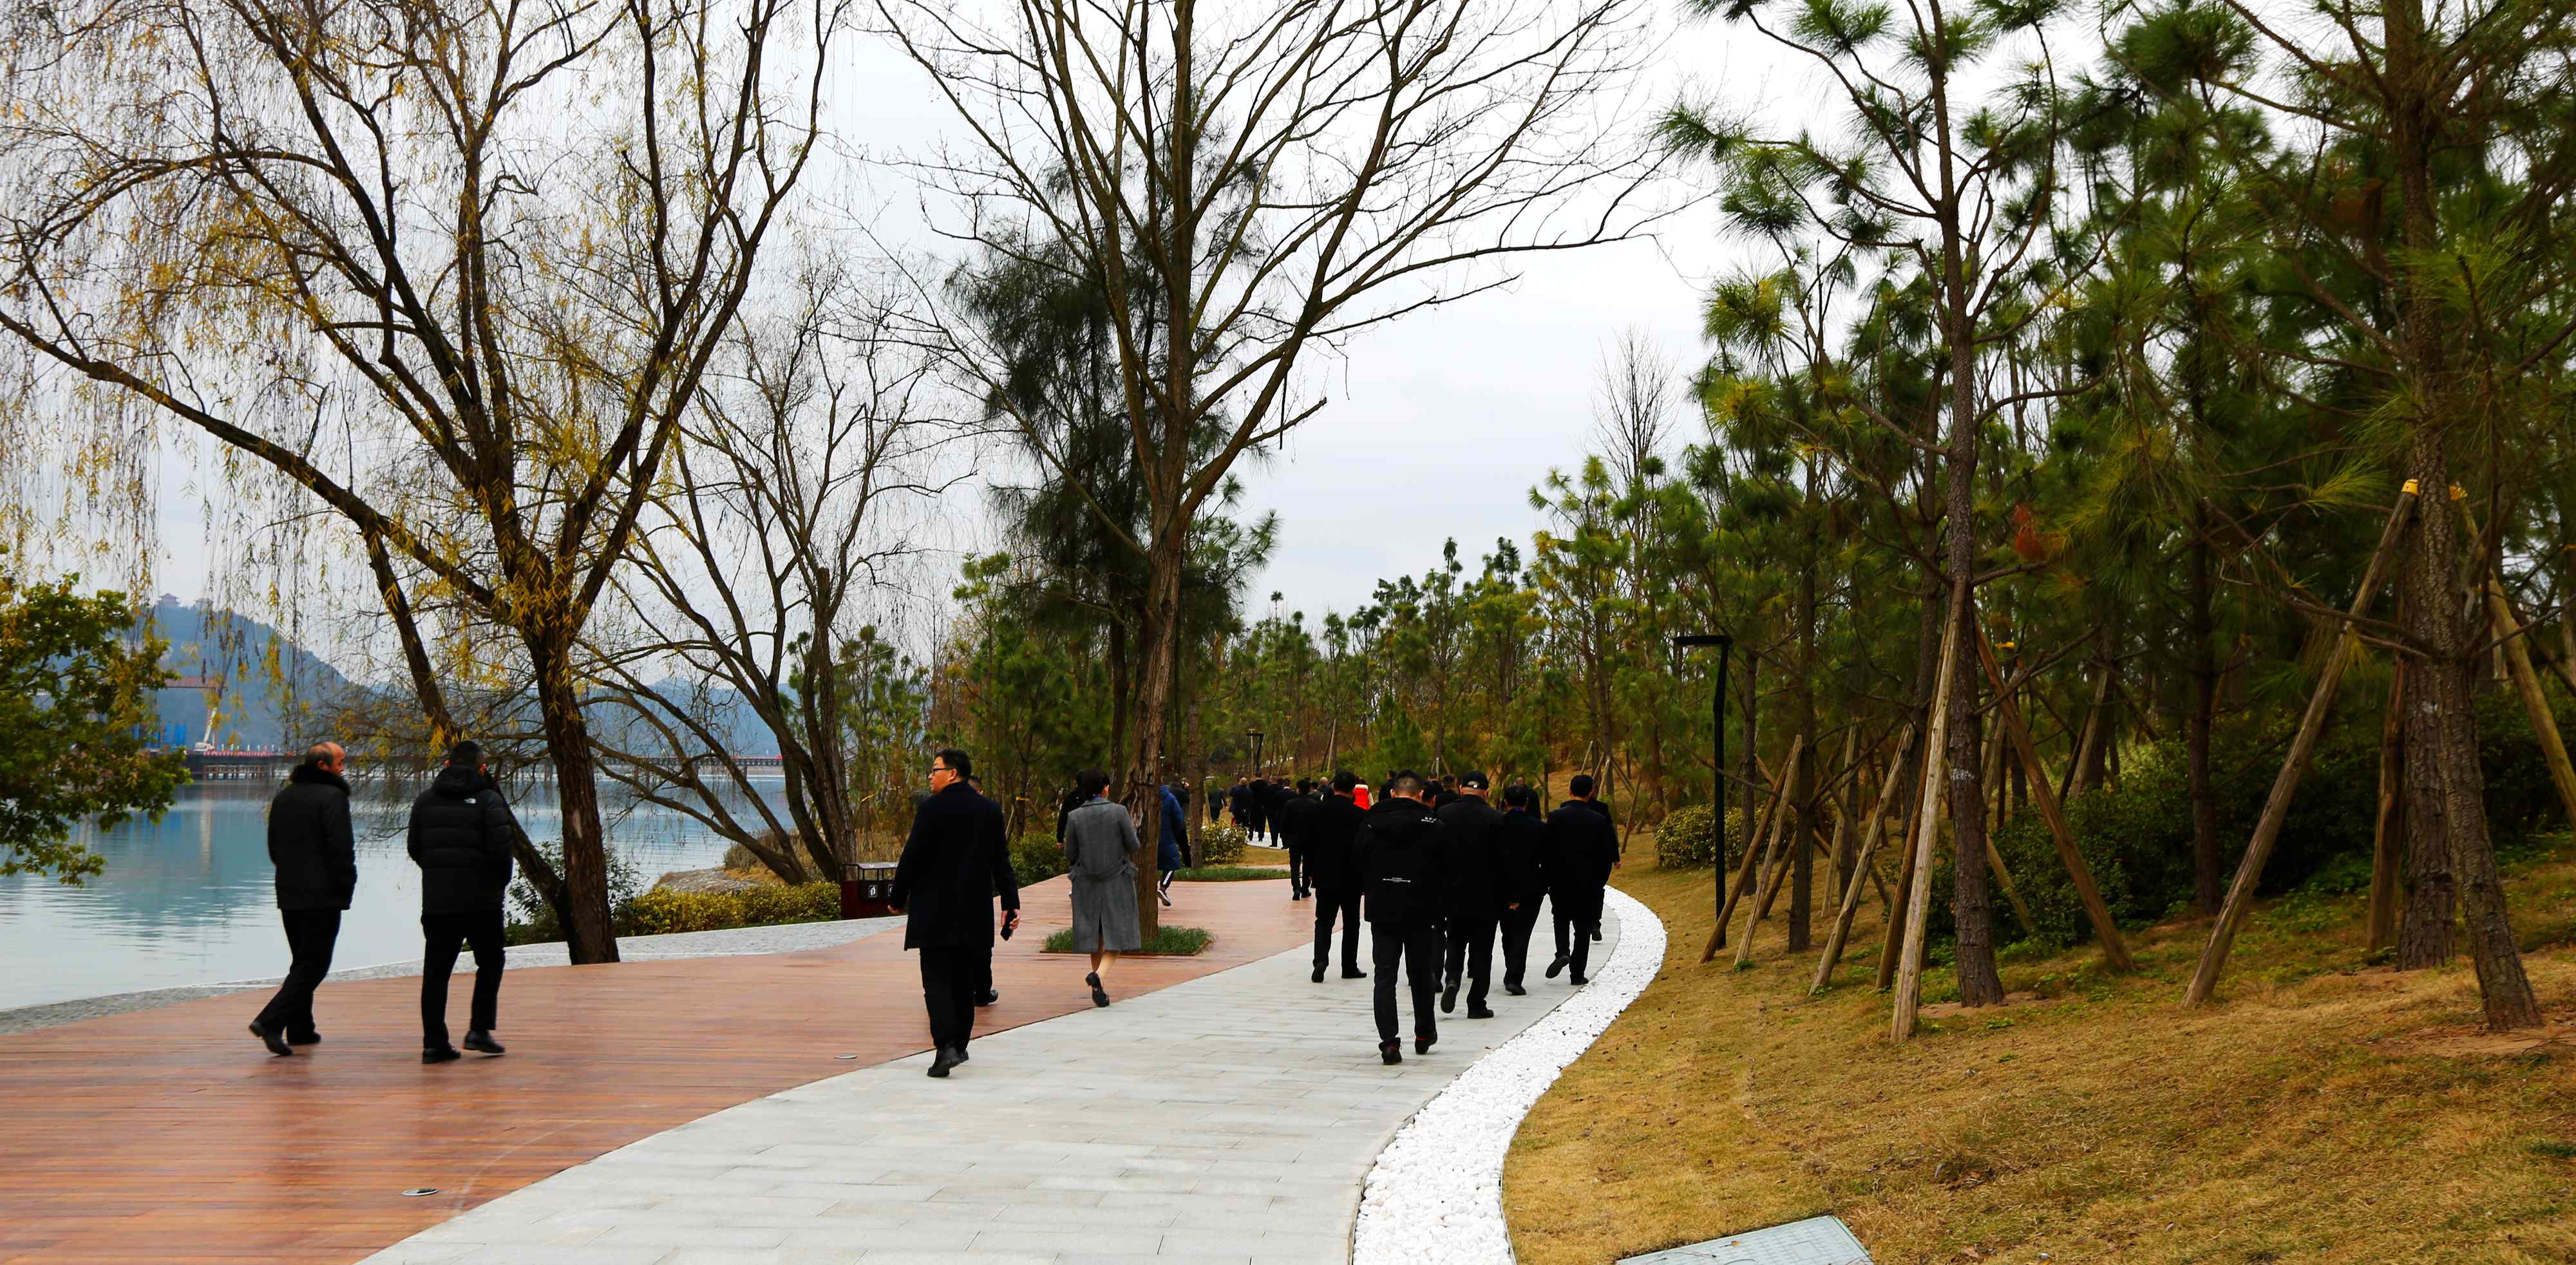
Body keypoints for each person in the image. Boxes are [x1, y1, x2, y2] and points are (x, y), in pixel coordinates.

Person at [891, 748, 1021, 1078]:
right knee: (965, 981)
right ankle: (960, 1045)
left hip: (934, 912)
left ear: (952, 773)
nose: (930, 776)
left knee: (936, 981)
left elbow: (912, 856)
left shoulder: (930, 810)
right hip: (973, 912)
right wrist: (1010, 902)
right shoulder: (990, 810)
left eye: (934, 770)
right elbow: (1000, 862)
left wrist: (897, 896)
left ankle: (945, 1046)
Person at [408, 740, 516, 1063]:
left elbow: (415, 847)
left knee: (436, 972)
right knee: (491, 962)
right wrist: (496, 885)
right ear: (482, 768)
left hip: (439, 902)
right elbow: (502, 852)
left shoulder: (425, 801)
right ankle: (479, 1030)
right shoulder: (488, 800)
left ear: (447, 764)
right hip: (482, 902)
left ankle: (434, 1043)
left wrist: (438, 871)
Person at [248, 742, 355, 1057]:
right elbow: (341, 850)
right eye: (339, 762)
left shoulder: (283, 797)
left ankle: (301, 1028)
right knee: (316, 963)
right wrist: (345, 888)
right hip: (322, 896)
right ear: (322, 766)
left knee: (301, 961)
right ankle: (270, 1021)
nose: (343, 768)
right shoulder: (333, 798)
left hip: (289, 892)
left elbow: (273, 849)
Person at [1357, 773, 1448, 1063]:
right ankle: (1424, 1032)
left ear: (1393, 794)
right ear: (1421, 794)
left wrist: (1372, 887)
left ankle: (1389, 1041)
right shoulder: (1434, 826)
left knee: (1385, 975)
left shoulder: (1371, 822)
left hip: (1383, 907)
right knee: (1421, 973)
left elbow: (1357, 861)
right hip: (1421, 909)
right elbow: (1447, 868)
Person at [1061, 769, 1141, 1008]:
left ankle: (1099, 987)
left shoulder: (1074, 817)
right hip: (1116, 880)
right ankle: (1100, 977)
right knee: (1118, 933)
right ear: (1105, 788)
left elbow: (1070, 854)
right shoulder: (1119, 812)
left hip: (1086, 883)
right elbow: (1134, 845)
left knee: (1096, 937)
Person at [1434, 771, 1506, 1018]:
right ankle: (1476, 1003)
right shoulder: (1497, 819)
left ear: (1462, 789)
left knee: (1454, 940)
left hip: (1452, 893)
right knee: (1482, 950)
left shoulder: (1443, 814)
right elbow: (1505, 862)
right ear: (1486, 791)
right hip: (1487, 895)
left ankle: (1453, 977)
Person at [1544, 773, 1619, 985]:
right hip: (1588, 883)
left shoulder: (1556, 816)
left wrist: (1549, 879)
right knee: (1583, 927)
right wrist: (1599, 881)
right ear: (1592, 792)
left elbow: (1546, 850)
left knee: (1560, 918)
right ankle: (1577, 973)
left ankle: (1562, 951)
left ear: (1569, 791)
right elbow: (1606, 856)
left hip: (1560, 881)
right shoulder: (1599, 819)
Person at [1308, 771, 1370, 983]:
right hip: (1351, 877)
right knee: (1351, 923)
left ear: (1333, 786)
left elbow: (1311, 845)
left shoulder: (1318, 811)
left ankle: (1320, 961)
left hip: (1325, 874)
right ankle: (1349, 966)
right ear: (1353, 789)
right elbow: (1364, 849)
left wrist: (1310, 870)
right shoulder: (1359, 815)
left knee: (1323, 921)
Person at [1494, 783, 1550, 996]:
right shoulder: (1540, 828)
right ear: (1527, 803)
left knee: (1507, 930)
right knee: (1522, 932)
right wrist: (1544, 885)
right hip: (1530, 888)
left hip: (1501, 886)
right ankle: (1514, 975)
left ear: (1505, 802)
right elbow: (1548, 861)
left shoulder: (1496, 824)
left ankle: (1512, 967)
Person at [1274, 777, 1320, 900]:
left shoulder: (1290, 804)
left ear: (1298, 789)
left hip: (1294, 839)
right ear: (1309, 789)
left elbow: (1285, 824)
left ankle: (1296, 888)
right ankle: (1305, 888)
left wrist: (1287, 838)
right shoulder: (1315, 805)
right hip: (1310, 840)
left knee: (1294, 865)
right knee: (1307, 865)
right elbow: (1318, 825)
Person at [1157, 778, 1188, 904]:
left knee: (1149, 864)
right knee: (1171, 865)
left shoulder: (1143, 797)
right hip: (1166, 837)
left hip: (1145, 839)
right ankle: (1163, 887)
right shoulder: (1169, 799)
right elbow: (1179, 819)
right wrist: (1174, 834)